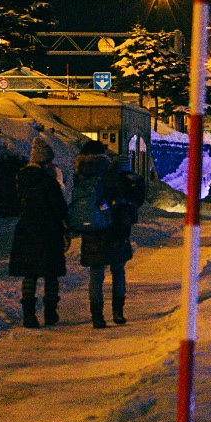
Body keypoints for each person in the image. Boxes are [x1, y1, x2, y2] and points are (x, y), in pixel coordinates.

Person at [74, 139, 140, 327]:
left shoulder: (81, 174)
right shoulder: (110, 173)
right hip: (114, 230)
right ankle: (117, 313)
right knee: (118, 271)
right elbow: (123, 199)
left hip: (92, 229)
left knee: (96, 274)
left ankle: (97, 316)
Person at [9, 135, 69, 327]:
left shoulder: (21, 180)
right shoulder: (49, 183)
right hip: (48, 233)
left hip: (25, 232)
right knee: (50, 274)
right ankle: (50, 312)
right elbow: (60, 209)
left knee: (30, 273)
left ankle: (28, 314)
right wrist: (66, 228)